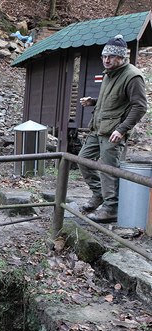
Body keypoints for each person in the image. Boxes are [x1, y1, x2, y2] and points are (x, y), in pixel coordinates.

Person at [78, 34, 148, 223]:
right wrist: (93, 102)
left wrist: (122, 129)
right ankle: (99, 194)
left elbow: (140, 106)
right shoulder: (110, 73)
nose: (106, 60)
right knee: (83, 160)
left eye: (111, 57)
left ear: (121, 58)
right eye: (104, 56)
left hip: (114, 131)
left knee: (108, 170)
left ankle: (111, 208)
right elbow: (113, 100)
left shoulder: (132, 76)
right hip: (98, 127)